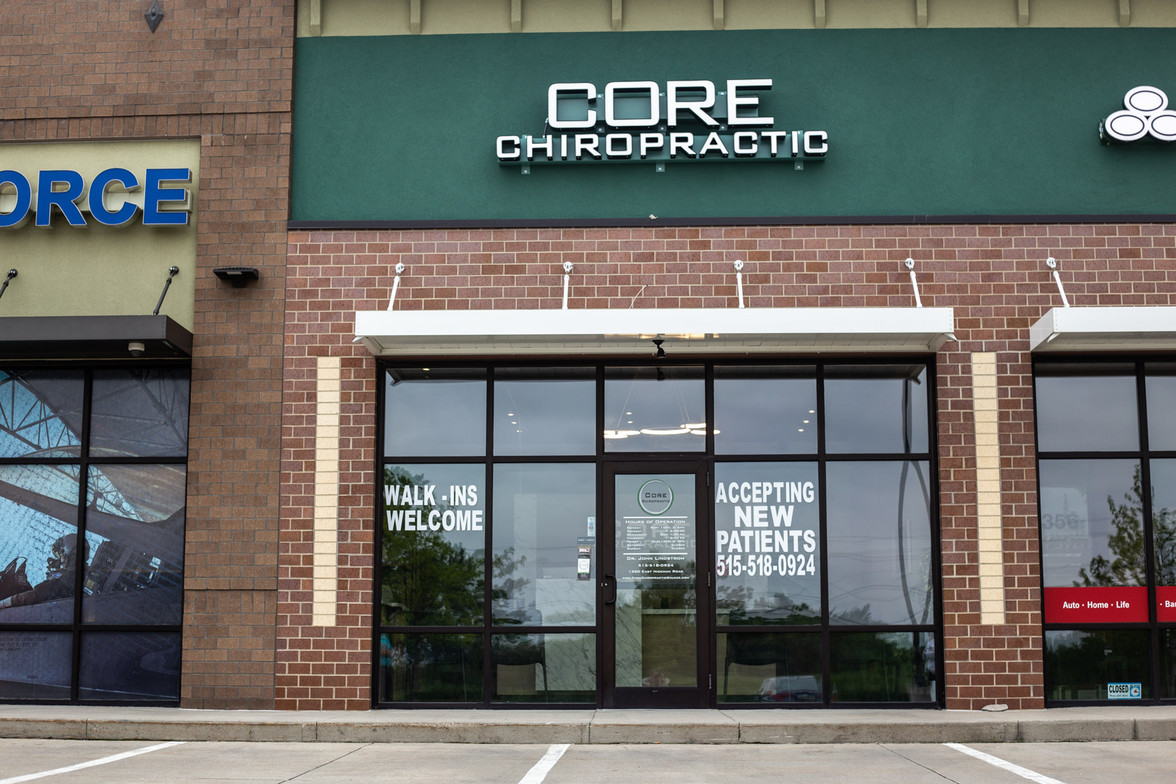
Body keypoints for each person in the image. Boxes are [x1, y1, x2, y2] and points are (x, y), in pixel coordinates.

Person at [0, 534, 87, 610]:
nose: (59, 560)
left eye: (60, 555)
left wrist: (3, 603)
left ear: (67, 554)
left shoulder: (67, 578)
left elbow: (36, 595)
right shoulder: (79, 574)